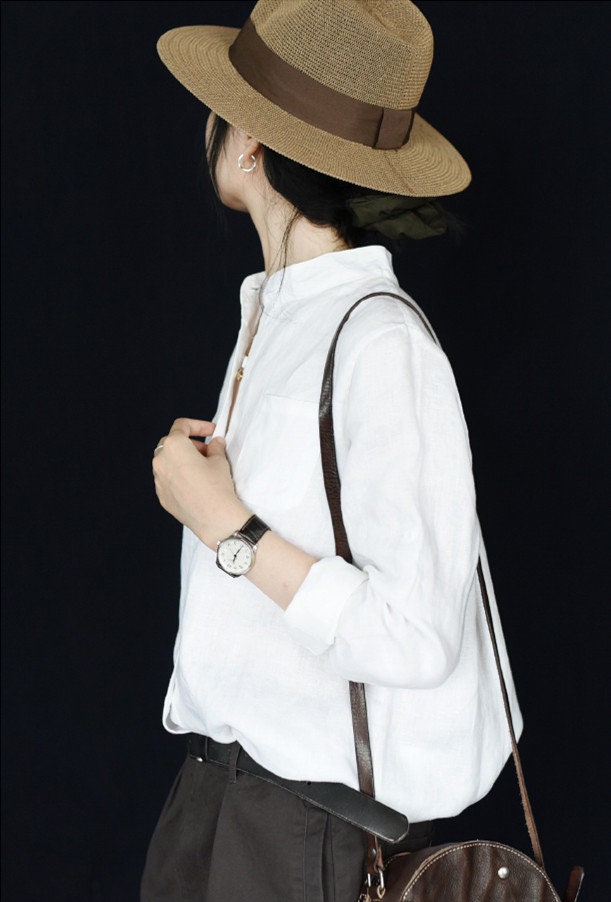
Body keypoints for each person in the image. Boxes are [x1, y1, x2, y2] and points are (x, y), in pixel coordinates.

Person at [142, 2, 523, 900]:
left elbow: (415, 636)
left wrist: (229, 528)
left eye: (221, 106)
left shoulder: (380, 343)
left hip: (306, 832)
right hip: (216, 801)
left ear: (248, 143)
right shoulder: (281, 315)